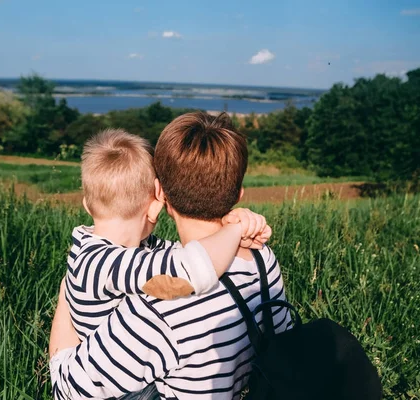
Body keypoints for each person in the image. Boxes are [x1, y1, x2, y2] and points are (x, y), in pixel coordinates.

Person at [51, 113, 292, 399]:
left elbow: (70, 389)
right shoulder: (263, 258)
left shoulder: (160, 303)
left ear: (160, 193)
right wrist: (238, 228)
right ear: (238, 193)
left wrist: (67, 293)